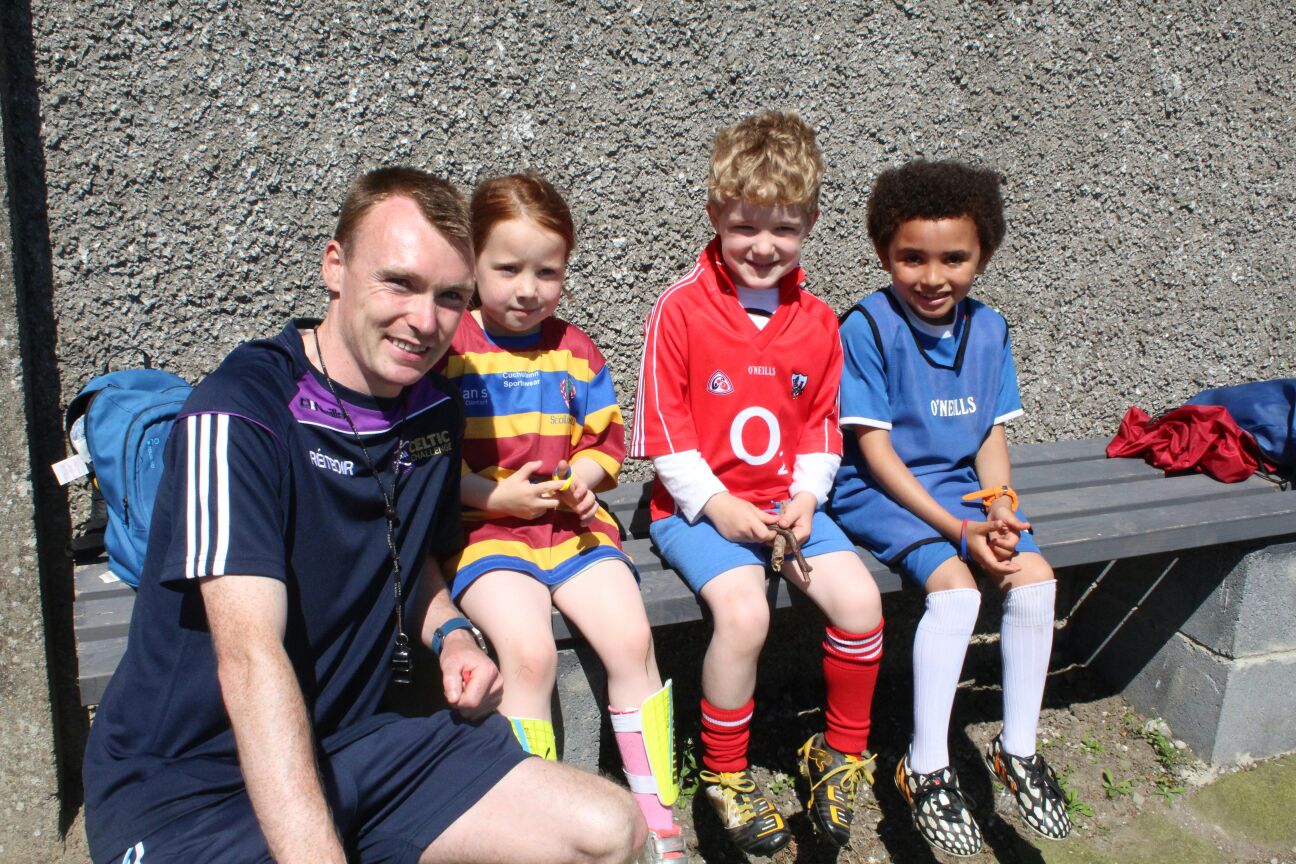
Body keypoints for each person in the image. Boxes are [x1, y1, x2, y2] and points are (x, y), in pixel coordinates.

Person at [82, 167, 646, 864]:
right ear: (335, 266)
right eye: (399, 283)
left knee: (609, 831)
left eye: (450, 297)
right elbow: (250, 657)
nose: (425, 319)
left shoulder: (432, 410)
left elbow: (420, 573)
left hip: (355, 745)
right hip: (192, 786)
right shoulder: (240, 413)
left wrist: (458, 638)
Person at [631, 111, 885, 856]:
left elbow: (820, 429)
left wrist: (807, 498)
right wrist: (718, 505)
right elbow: (666, 436)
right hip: (697, 509)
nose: (763, 246)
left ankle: (838, 757)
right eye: (745, 226)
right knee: (745, 615)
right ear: (715, 215)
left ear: (809, 221)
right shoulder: (679, 308)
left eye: (783, 227)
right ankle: (726, 776)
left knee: (862, 601)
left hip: (787, 506)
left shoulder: (817, 322)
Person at [436, 173, 689, 863]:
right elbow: (426, 464)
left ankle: (658, 817)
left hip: (572, 531)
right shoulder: (451, 350)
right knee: (528, 654)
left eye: (547, 271)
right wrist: (493, 499)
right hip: (485, 533)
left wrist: (581, 481)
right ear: (471, 263)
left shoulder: (575, 350)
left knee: (632, 641)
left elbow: (602, 443)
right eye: (507, 268)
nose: (528, 288)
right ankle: (527, 830)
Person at [827, 159, 1072, 857]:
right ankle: (925, 765)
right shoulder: (868, 327)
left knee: (1035, 577)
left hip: (961, 494)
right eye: (912, 257)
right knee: (958, 592)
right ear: (884, 253)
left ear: (982, 256)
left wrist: (998, 508)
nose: (933, 276)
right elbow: (874, 454)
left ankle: (1016, 749)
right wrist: (959, 532)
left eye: (954, 258)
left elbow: (991, 435)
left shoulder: (990, 329)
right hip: (885, 493)